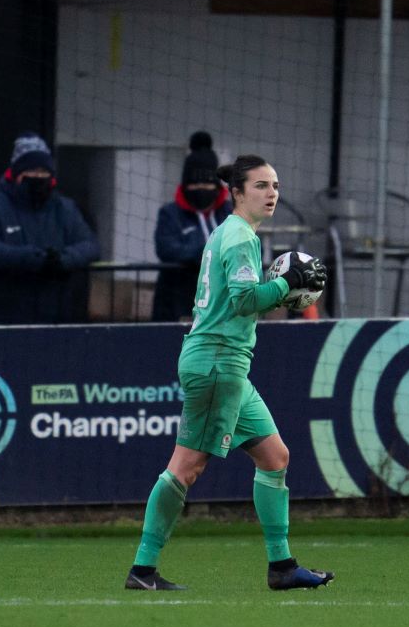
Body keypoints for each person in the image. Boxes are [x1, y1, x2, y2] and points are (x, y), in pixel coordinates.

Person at [125, 154, 331, 591]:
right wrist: (286, 284)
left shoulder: (232, 233)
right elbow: (242, 300)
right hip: (218, 362)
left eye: (275, 185)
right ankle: (142, 569)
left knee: (275, 457)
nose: (271, 193)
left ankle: (282, 566)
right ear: (237, 193)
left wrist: (283, 287)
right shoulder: (240, 237)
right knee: (185, 468)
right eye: (260, 186)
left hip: (225, 363)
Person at [0, 132, 100, 324]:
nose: (38, 177)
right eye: (31, 172)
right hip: (7, 314)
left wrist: (62, 259)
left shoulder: (65, 208)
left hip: (57, 313)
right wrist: (31, 258)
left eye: (43, 172)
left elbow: (90, 245)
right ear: (16, 174)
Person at [151, 132, 232, 321]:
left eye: (207, 183)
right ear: (186, 185)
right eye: (195, 184)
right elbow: (167, 248)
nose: (201, 189)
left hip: (225, 308)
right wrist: (210, 252)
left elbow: (252, 246)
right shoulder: (170, 214)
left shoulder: (232, 214)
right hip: (177, 305)